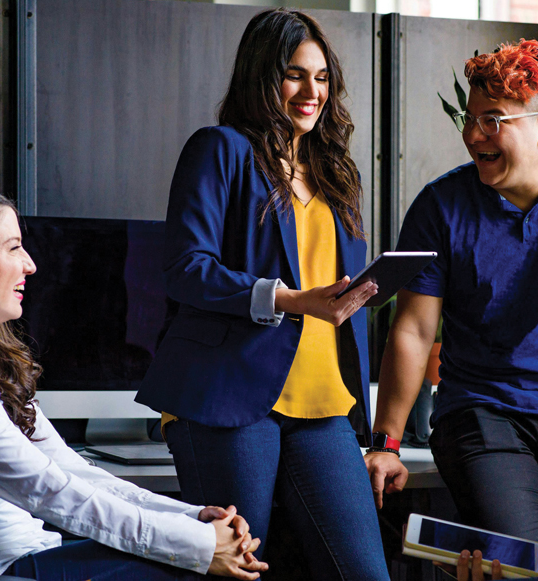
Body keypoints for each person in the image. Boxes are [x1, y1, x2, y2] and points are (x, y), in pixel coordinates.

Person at [0, 185, 268, 580]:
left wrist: (191, 518)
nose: (30, 264)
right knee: (197, 568)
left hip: (23, 558)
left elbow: (73, 472)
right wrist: (198, 546)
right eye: (14, 247)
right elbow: (48, 491)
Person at [133, 8, 388, 581]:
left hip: (325, 403)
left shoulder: (335, 171)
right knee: (239, 571)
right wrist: (292, 300)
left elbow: (333, 291)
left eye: (322, 77)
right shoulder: (220, 149)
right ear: (261, 76)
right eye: (295, 74)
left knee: (365, 573)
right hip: (231, 398)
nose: (311, 91)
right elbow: (185, 269)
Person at [367, 39, 538, 551]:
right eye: (471, 118)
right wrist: (386, 444)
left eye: (493, 120)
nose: (473, 134)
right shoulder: (441, 207)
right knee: (519, 563)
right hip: (482, 411)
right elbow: (414, 331)